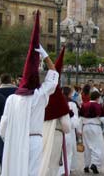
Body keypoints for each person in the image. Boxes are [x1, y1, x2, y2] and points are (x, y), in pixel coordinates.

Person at [0, 11, 59, 176]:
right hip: (34, 139)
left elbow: (3, 128)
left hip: (16, 139)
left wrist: (11, 138)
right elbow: (54, 77)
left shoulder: (11, 99)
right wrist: (46, 57)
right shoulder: (39, 95)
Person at [39, 47, 71, 176]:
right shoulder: (60, 100)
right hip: (56, 134)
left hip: (40, 132)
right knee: (51, 165)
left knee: (40, 161)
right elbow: (66, 126)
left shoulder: (40, 95)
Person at [79, 91, 104, 174]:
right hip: (95, 127)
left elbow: (80, 118)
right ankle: (95, 164)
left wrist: (79, 130)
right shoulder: (98, 106)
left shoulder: (84, 105)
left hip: (85, 127)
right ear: (97, 98)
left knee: (87, 147)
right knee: (97, 146)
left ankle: (86, 165)